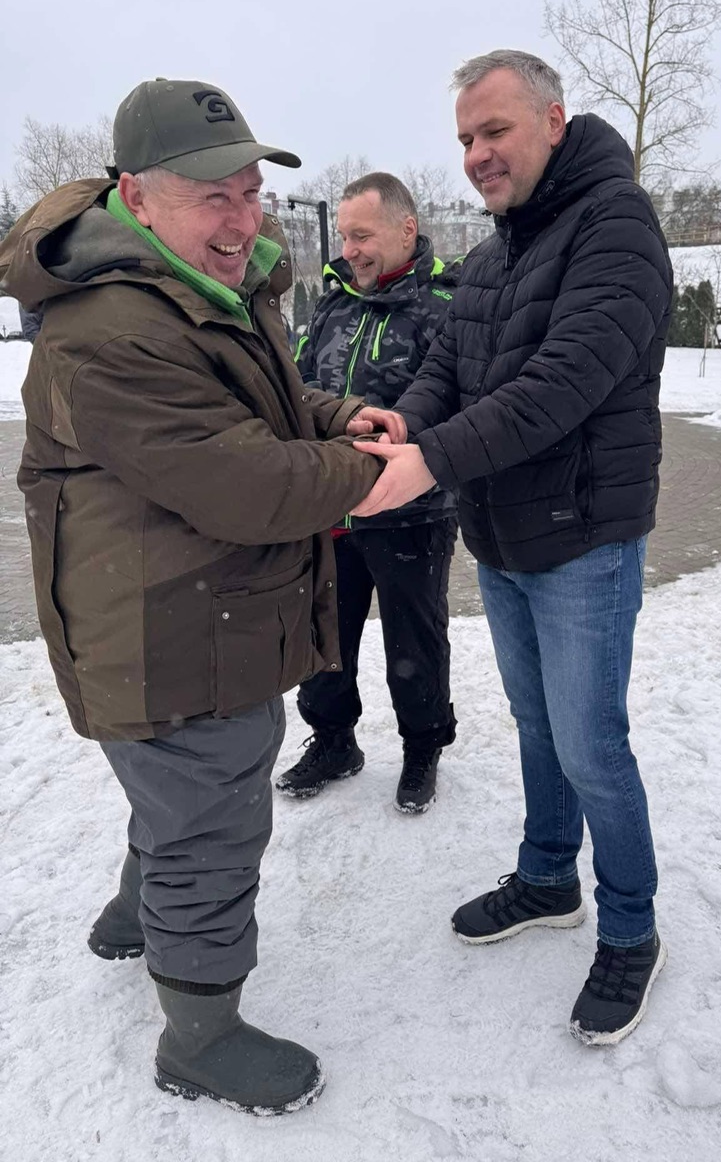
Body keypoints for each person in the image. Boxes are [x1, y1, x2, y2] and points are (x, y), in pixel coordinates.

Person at [0, 78, 399, 1114]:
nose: (241, 218)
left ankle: (135, 916)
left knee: (185, 792)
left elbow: (256, 398)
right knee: (211, 822)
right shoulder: (110, 326)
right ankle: (200, 1035)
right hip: (163, 628)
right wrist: (376, 474)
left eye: (251, 191)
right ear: (136, 194)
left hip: (191, 609)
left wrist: (338, 415)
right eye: (212, 193)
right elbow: (244, 480)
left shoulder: (186, 282)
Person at [350, 50, 674, 1047]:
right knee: (538, 728)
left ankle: (631, 927)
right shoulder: (495, 254)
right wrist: (401, 422)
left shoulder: (616, 225)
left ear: (553, 120)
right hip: (504, 537)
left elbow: (562, 384)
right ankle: (546, 876)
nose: (477, 154)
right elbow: (448, 367)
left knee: (591, 744)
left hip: (583, 539)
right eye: (465, 139)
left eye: (494, 130)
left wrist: (432, 460)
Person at [276, 173, 458, 813]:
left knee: (415, 639)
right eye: (344, 236)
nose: (348, 250)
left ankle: (422, 747)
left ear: (407, 229)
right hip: (332, 507)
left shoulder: (445, 307)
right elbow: (298, 387)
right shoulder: (332, 305)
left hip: (414, 512)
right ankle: (333, 741)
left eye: (362, 235)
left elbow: (459, 402)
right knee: (325, 633)